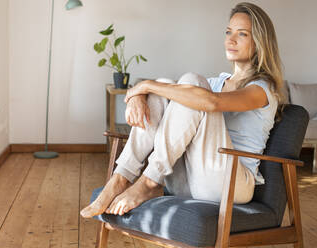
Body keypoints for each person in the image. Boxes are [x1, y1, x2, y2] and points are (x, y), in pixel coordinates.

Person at [80, 2, 287, 218]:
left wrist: (145, 85)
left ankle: (149, 180)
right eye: (228, 31)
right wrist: (140, 94)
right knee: (170, 86)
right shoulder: (216, 83)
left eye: (242, 34)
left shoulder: (263, 89)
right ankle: (120, 177)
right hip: (190, 181)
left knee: (190, 84)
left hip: (232, 184)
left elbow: (211, 102)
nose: (231, 39)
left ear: (260, 42)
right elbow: (178, 94)